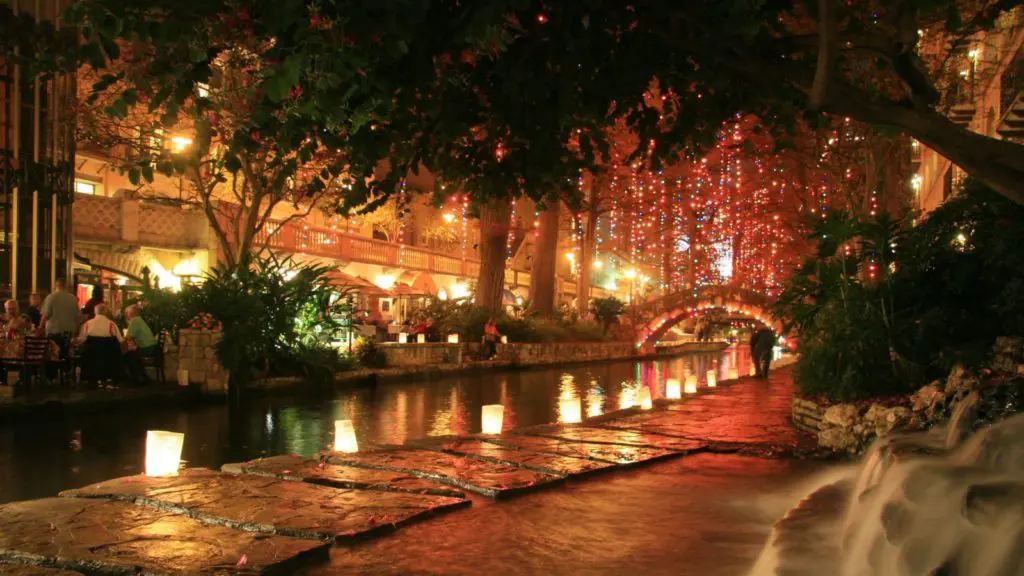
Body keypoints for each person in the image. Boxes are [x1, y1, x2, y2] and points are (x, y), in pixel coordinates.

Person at [76, 304, 123, 385]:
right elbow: (120, 339)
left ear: (95, 312)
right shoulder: (111, 324)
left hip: (91, 354)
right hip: (108, 355)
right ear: (106, 312)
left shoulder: (88, 324)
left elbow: (82, 339)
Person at [40, 278, 82, 360]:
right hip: (69, 332)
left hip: (54, 331)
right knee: (66, 354)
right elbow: (77, 317)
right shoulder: (73, 298)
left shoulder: (51, 297)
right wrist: (78, 331)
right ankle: (65, 366)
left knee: (54, 355)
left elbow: (46, 315)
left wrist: (40, 326)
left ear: (56, 286)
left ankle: (55, 367)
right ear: (66, 286)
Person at [124, 305, 158, 385]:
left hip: (147, 348)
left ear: (131, 313)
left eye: (127, 313)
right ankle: (143, 378)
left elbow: (128, 337)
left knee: (128, 356)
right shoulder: (139, 320)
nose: (126, 315)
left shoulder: (134, 321)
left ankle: (135, 380)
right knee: (133, 355)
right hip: (152, 347)